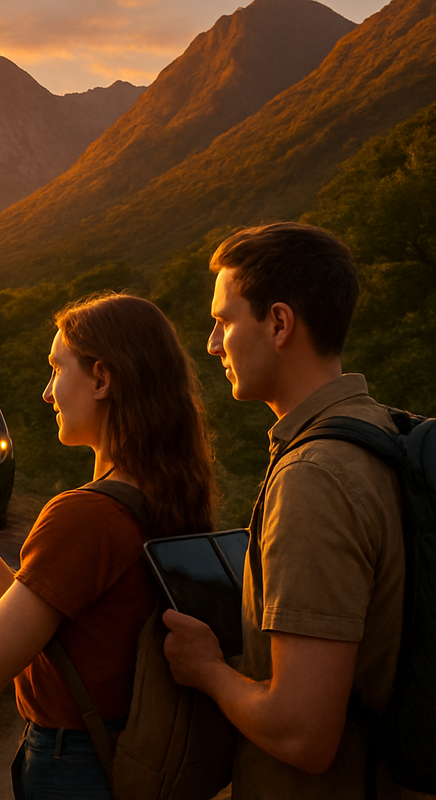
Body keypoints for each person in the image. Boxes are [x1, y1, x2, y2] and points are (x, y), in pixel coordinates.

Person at [0, 292, 215, 799]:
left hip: (74, 768)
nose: (47, 393)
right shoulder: (169, 493)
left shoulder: (84, 515)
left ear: (101, 378)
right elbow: (67, 635)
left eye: (56, 369)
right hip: (135, 754)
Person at [161, 222, 413, 799]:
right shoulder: (386, 431)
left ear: (278, 323)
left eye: (223, 321)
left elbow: (304, 735)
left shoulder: (313, 478)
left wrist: (208, 670)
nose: (212, 344)